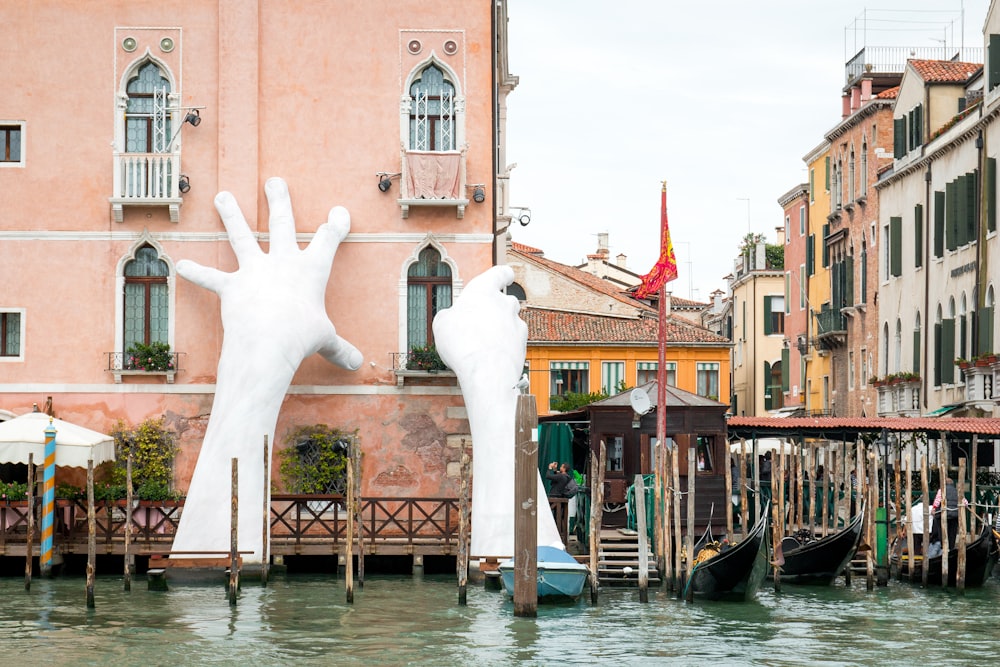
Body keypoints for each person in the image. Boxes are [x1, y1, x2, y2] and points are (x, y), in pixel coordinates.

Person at [931, 477, 969, 547]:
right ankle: (951, 547)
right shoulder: (957, 491)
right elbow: (965, 503)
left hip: (942, 515)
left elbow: (937, 500)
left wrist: (934, 509)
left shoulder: (942, 490)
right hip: (954, 515)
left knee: (943, 533)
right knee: (952, 533)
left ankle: (944, 547)